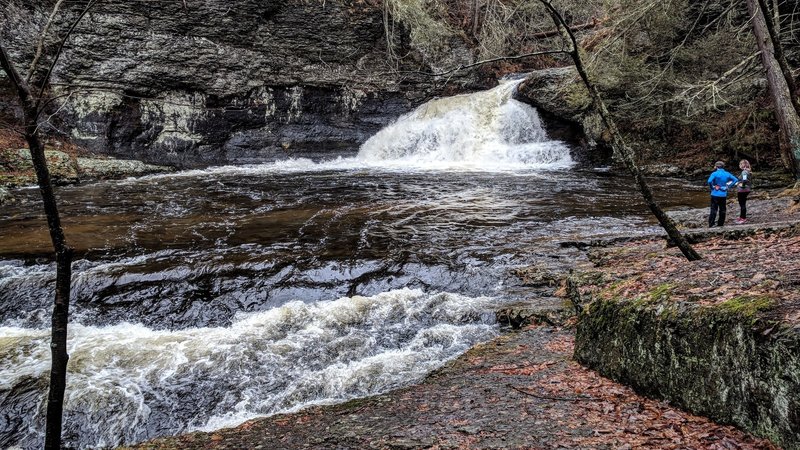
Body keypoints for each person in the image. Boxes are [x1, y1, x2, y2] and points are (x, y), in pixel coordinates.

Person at [707, 161, 738, 227]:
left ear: (716, 166)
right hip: (723, 194)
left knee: (713, 209)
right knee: (723, 209)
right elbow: (735, 180)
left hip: (715, 194)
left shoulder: (714, 173)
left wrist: (712, 187)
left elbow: (709, 181)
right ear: (723, 166)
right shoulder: (727, 173)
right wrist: (728, 186)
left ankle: (711, 224)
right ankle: (720, 224)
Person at [735, 159, 752, 224]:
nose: (739, 165)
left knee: (742, 204)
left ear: (742, 165)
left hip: (743, 190)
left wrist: (742, 185)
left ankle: (743, 218)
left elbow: (744, 180)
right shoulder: (748, 171)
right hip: (747, 189)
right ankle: (741, 217)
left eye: (740, 164)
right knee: (743, 203)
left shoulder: (744, 172)